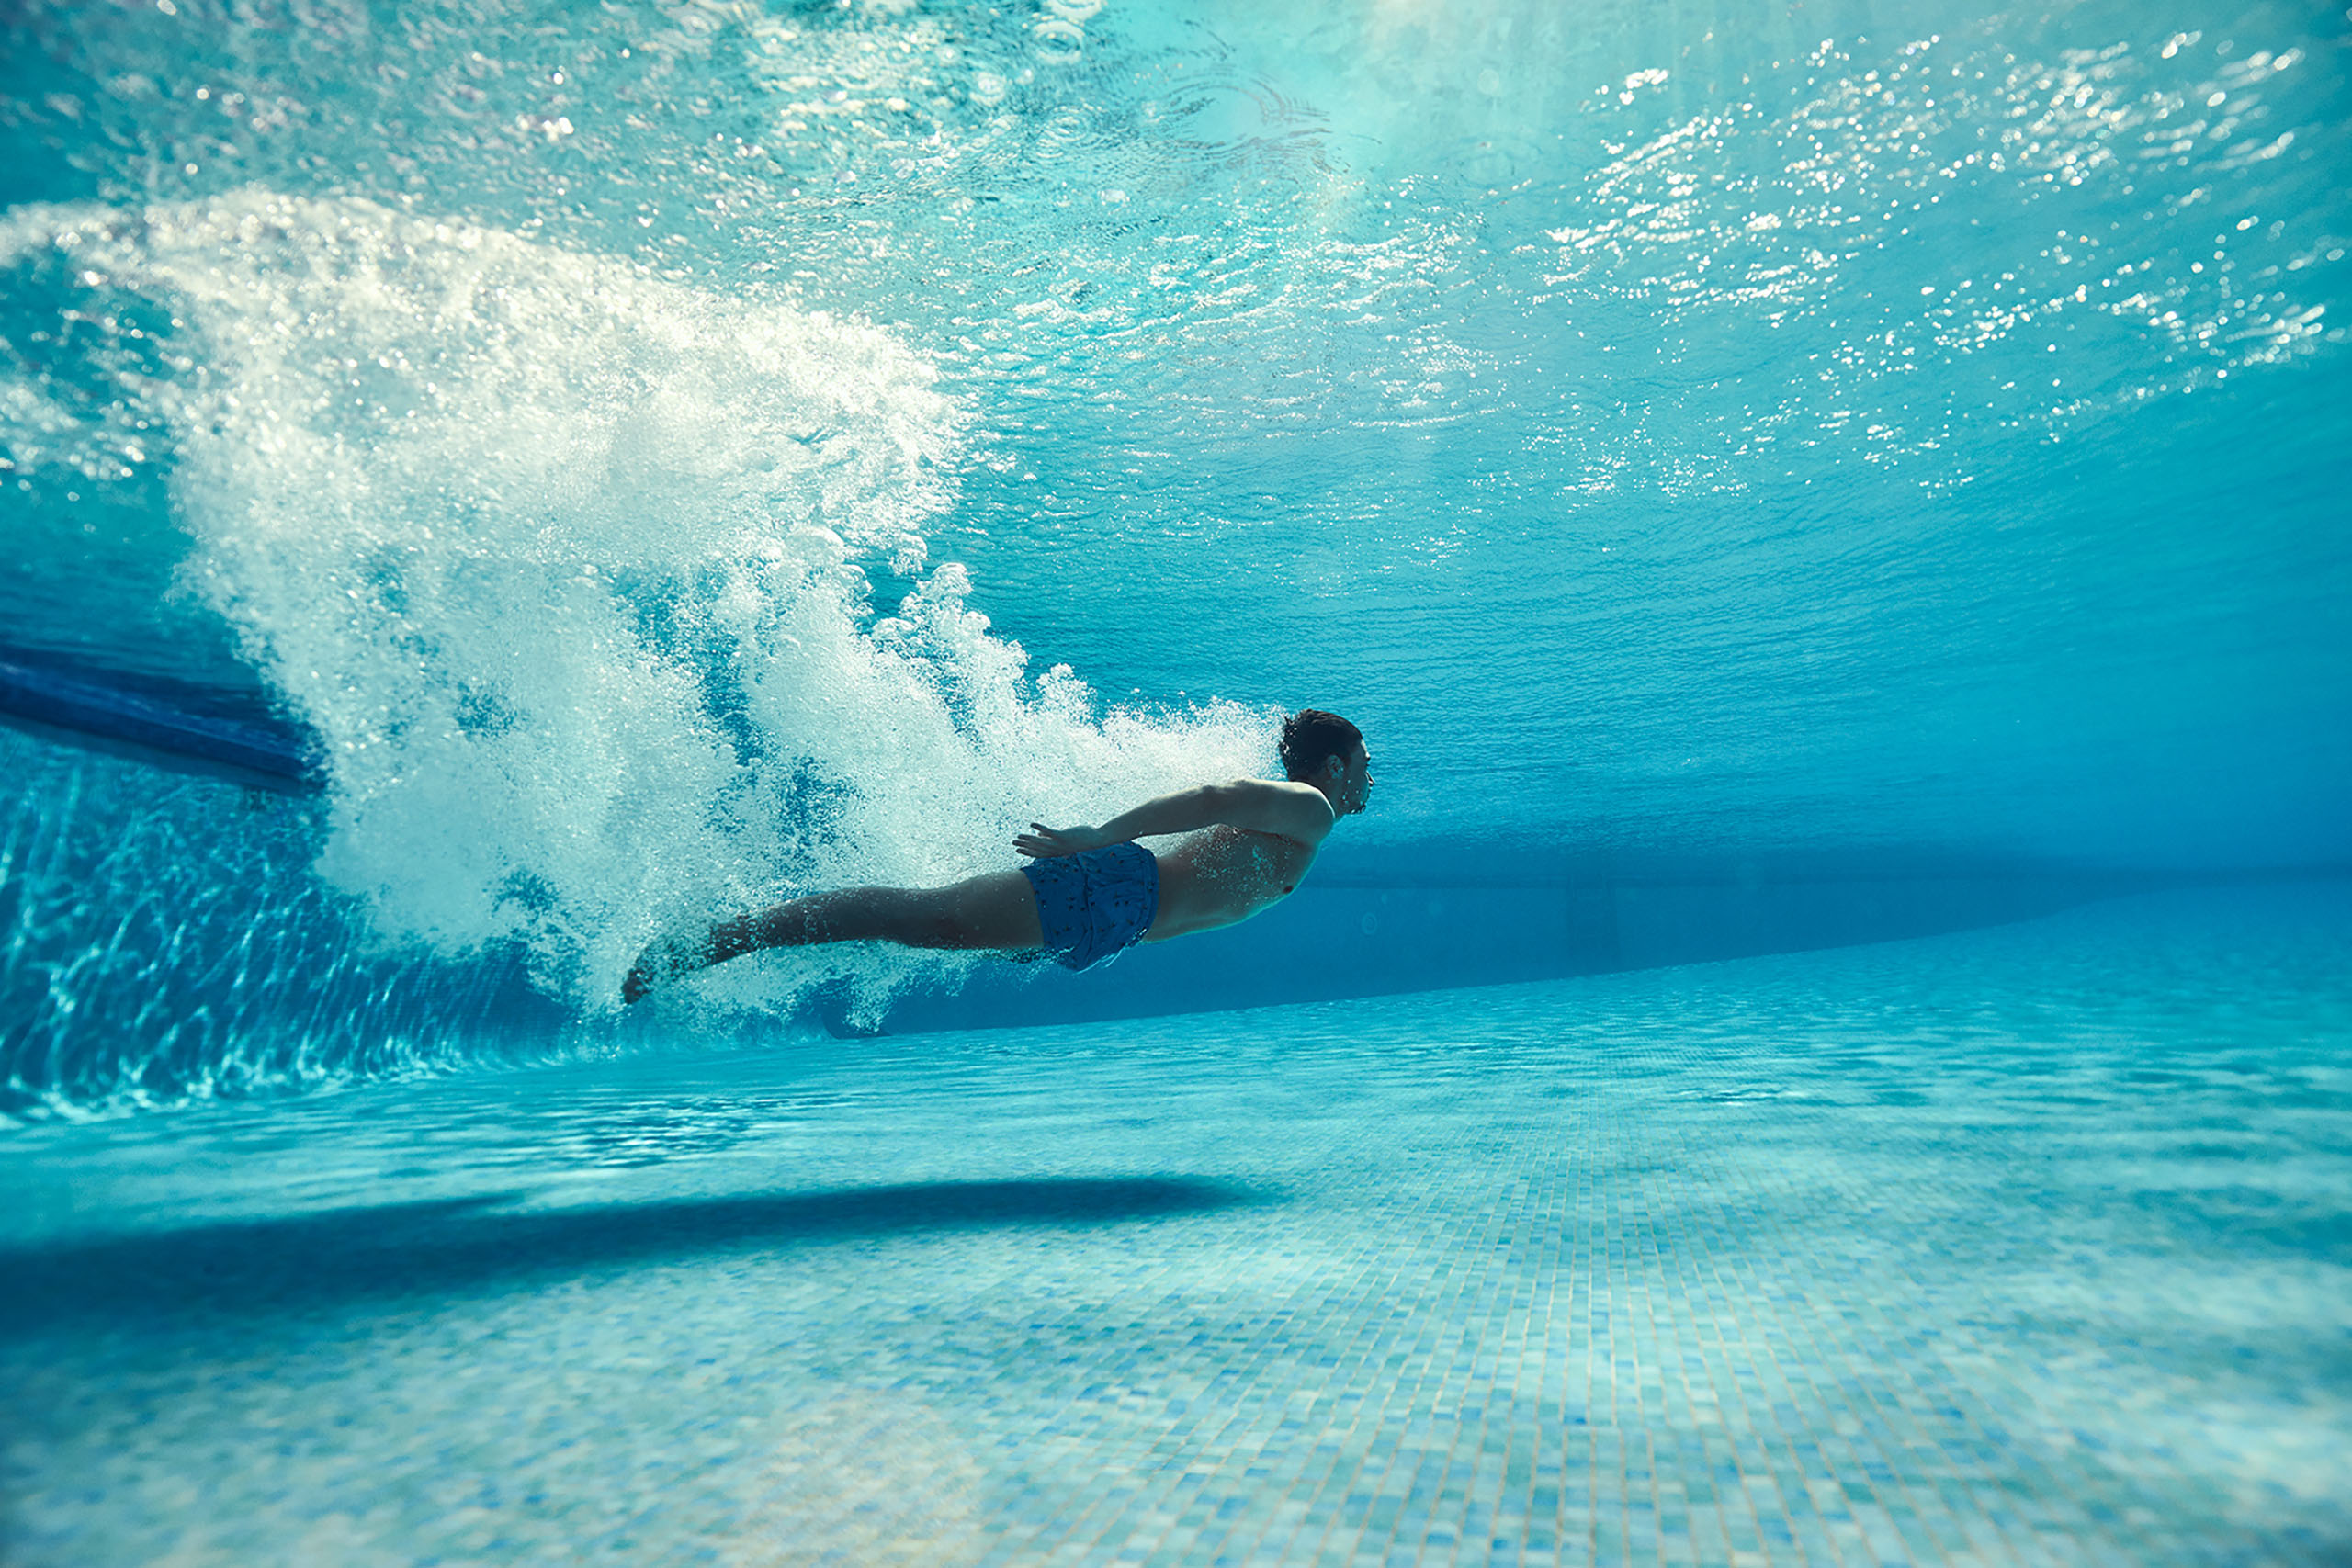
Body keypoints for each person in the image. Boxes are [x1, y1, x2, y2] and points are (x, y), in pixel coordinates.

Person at [622, 709, 1374, 1002]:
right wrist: (1099, 835)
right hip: (1113, 893)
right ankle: (711, 939)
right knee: (922, 918)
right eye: (1363, 760)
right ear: (1334, 767)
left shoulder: (1305, 820)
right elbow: (1214, 796)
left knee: (922, 926)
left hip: (1111, 917)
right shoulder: (1311, 806)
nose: (1369, 775)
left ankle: (728, 936)